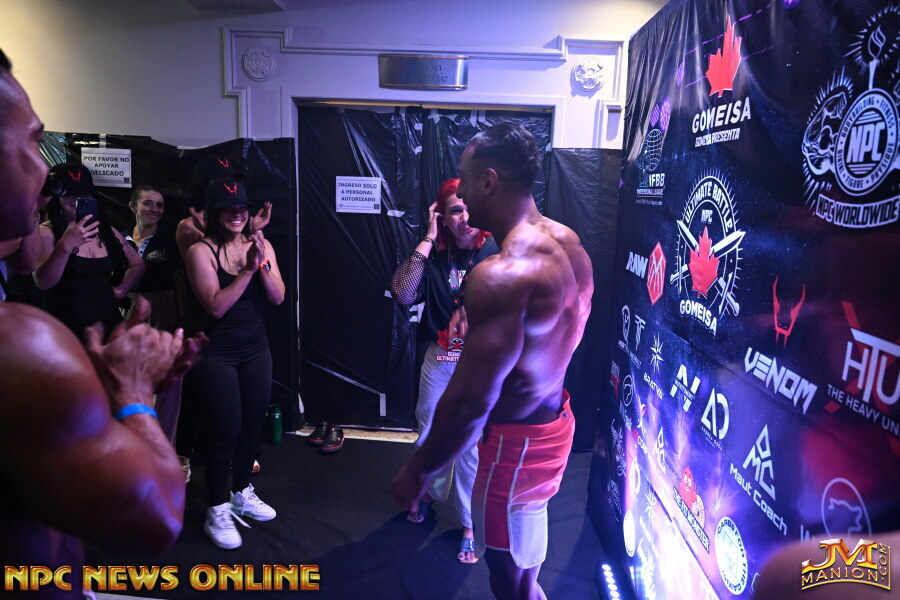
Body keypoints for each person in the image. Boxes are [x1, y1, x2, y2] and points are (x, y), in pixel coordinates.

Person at [0, 47, 201, 599]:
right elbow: (156, 516)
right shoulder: (19, 342)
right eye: (30, 141)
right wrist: (134, 393)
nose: (43, 172)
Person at [392, 122, 594, 600]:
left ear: (488, 181)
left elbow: (468, 403)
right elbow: (555, 336)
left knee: (507, 576)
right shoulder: (567, 243)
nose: (458, 191)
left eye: (464, 178)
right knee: (525, 556)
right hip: (553, 426)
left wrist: (418, 471)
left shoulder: (503, 274)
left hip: (514, 446)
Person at [390, 178, 499, 564]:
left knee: (469, 446)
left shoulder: (495, 251)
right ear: (442, 216)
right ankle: (428, 492)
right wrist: (427, 237)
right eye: (454, 210)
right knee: (428, 434)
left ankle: (468, 524)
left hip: (477, 362)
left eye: (468, 208)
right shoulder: (436, 253)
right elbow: (403, 293)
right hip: (439, 357)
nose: (464, 217)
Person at [185, 176, 285, 549]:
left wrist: (261, 265)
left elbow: (278, 297)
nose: (237, 214)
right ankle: (216, 508)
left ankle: (241, 492)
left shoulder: (261, 245)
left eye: (242, 208)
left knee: (251, 427)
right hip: (217, 353)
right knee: (225, 430)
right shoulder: (201, 251)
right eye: (229, 209)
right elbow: (215, 305)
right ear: (215, 213)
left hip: (255, 349)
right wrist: (246, 270)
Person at [33, 163, 146, 340]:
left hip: (108, 324)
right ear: (57, 196)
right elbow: (43, 282)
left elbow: (138, 264)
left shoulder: (105, 231)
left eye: (83, 193)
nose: (76, 198)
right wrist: (65, 246)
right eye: (69, 193)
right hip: (66, 328)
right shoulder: (46, 232)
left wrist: (120, 291)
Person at [124, 185, 183, 331]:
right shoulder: (119, 239)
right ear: (133, 206)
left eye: (159, 205)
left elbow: (179, 280)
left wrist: (183, 315)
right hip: (126, 307)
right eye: (147, 203)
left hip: (162, 308)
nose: (154, 209)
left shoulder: (171, 239)